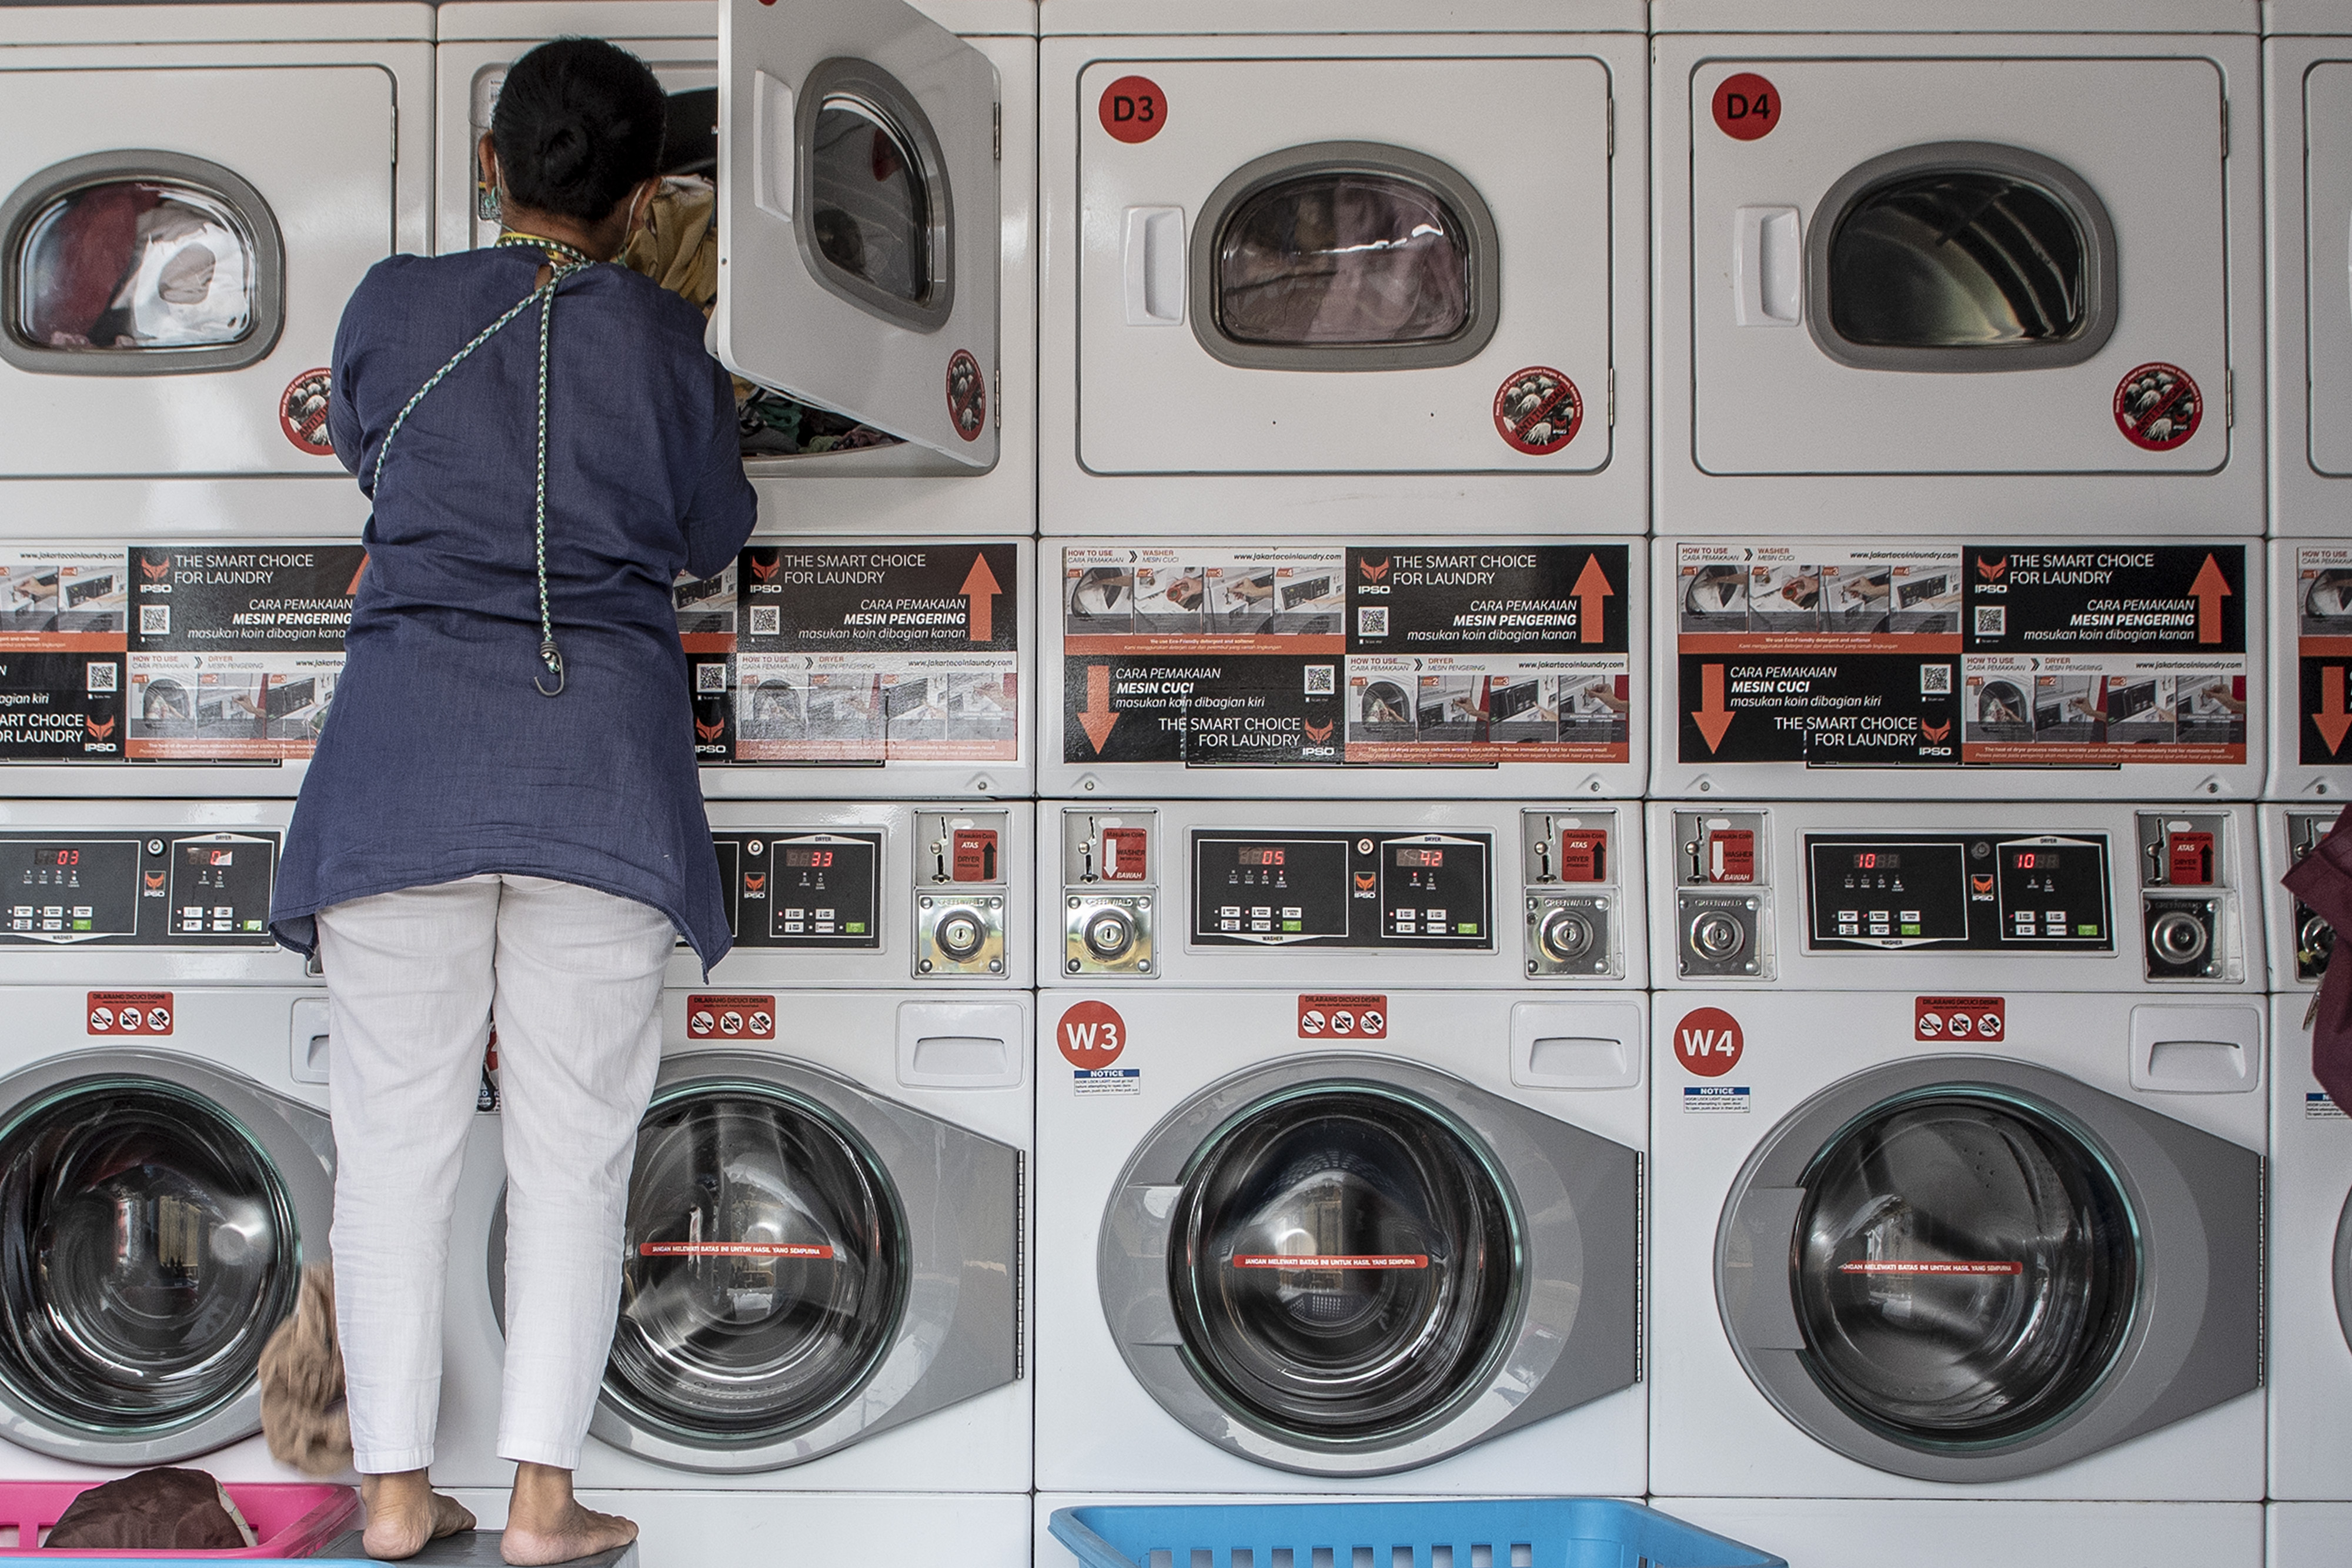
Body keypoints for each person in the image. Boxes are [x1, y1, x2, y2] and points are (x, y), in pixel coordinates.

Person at [268, 36, 757, 1566]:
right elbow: (713, 534)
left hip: (403, 769)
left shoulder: (394, 307)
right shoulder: (670, 345)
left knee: (394, 1155)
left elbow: (370, 454)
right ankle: (547, 1504)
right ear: (642, 194)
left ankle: (399, 1499)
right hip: (598, 777)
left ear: (493, 166)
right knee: (574, 1159)